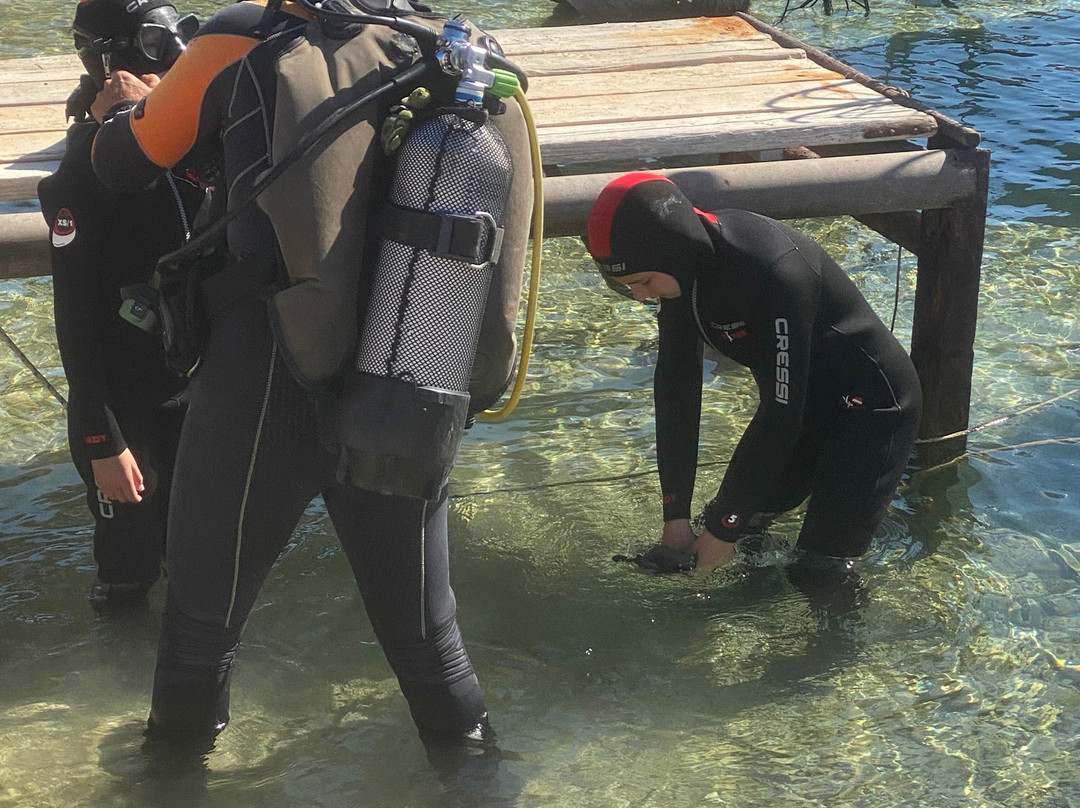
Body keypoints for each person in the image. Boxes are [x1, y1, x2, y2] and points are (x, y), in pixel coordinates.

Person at [88, 0, 532, 760]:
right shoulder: (452, 53)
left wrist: (129, 106)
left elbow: (120, 165)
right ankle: (485, 783)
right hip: (409, 370)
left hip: (263, 377)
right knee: (430, 647)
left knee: (200, 632)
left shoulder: (235, 42)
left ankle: (166, 783)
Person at [586, 172, 922, 575]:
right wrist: (675, 516)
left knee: (818, 570)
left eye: (642, 281)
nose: (640, 296)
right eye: (627, 287)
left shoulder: (771, 268)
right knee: (737, 538)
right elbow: (677, 391)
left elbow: (782, 410)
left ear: (672, 252)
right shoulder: (682, 274)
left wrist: (725, 527)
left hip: (873, 409)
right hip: (799, 410)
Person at [37, 0, 203, 604]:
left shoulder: (199, 145)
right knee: (129, 571)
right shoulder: (80, 173)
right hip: (125, 403)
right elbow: (74, 321)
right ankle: (119, 686)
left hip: (197, 383)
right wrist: (100, 440)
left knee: (201, 563)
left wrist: (153, 118)